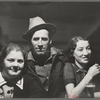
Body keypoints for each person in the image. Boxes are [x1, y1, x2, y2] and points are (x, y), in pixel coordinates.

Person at [23, 16, 68, 97]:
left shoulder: (61, 58)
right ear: (30, 41)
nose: (40, 44)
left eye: (44, 39)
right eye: (36, 39)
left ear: (50, 41)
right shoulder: (23, 62)